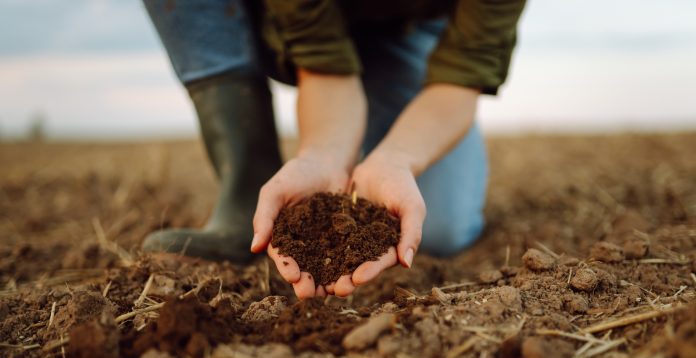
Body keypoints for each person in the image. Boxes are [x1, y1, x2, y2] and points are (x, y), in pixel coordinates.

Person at [142, 0, 526, 299]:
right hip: (275, 21)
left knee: (442, 229)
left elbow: (460, 79)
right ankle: (246, 188)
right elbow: (324, 64)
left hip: (406, 32)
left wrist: (396, 159)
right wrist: (320, 158)